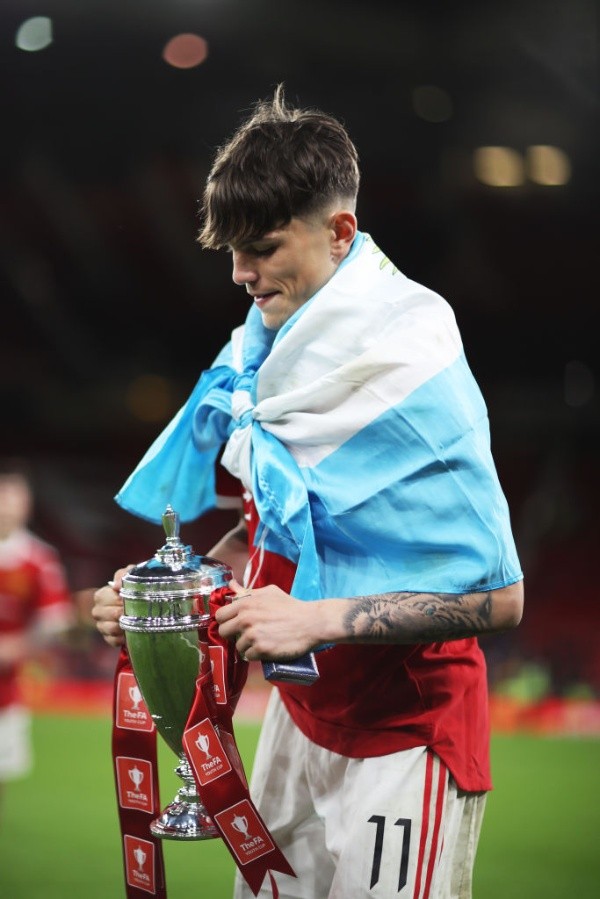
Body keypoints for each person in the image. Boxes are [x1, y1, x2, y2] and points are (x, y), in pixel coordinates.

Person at [93, 87, 523, 899]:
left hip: (408, 734)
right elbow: (268, 535)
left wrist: (317, 618)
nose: (239, 273)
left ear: (339, 232)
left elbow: (502, 598)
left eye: (260, 246)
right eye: (230, 250)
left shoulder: (411, 359)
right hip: (299, 719)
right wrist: (161, 595)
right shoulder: (262, 356)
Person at [0, 461, 73, 817]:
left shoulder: (38, 558)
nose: (6, 504)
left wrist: (17, 648)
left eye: (13, 495)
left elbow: (55, 621)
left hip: (6, 691)